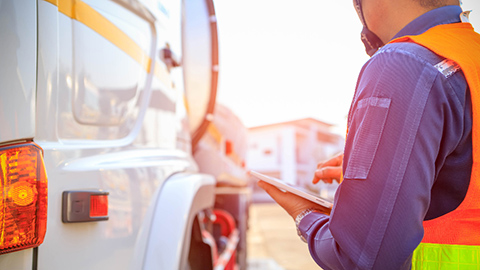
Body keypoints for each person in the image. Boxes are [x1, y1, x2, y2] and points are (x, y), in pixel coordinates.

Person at [258, 0, 480, 268]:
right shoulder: (470, 54)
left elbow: (364, 259)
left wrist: (304, 214)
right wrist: (388, 172)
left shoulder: (403, 65)